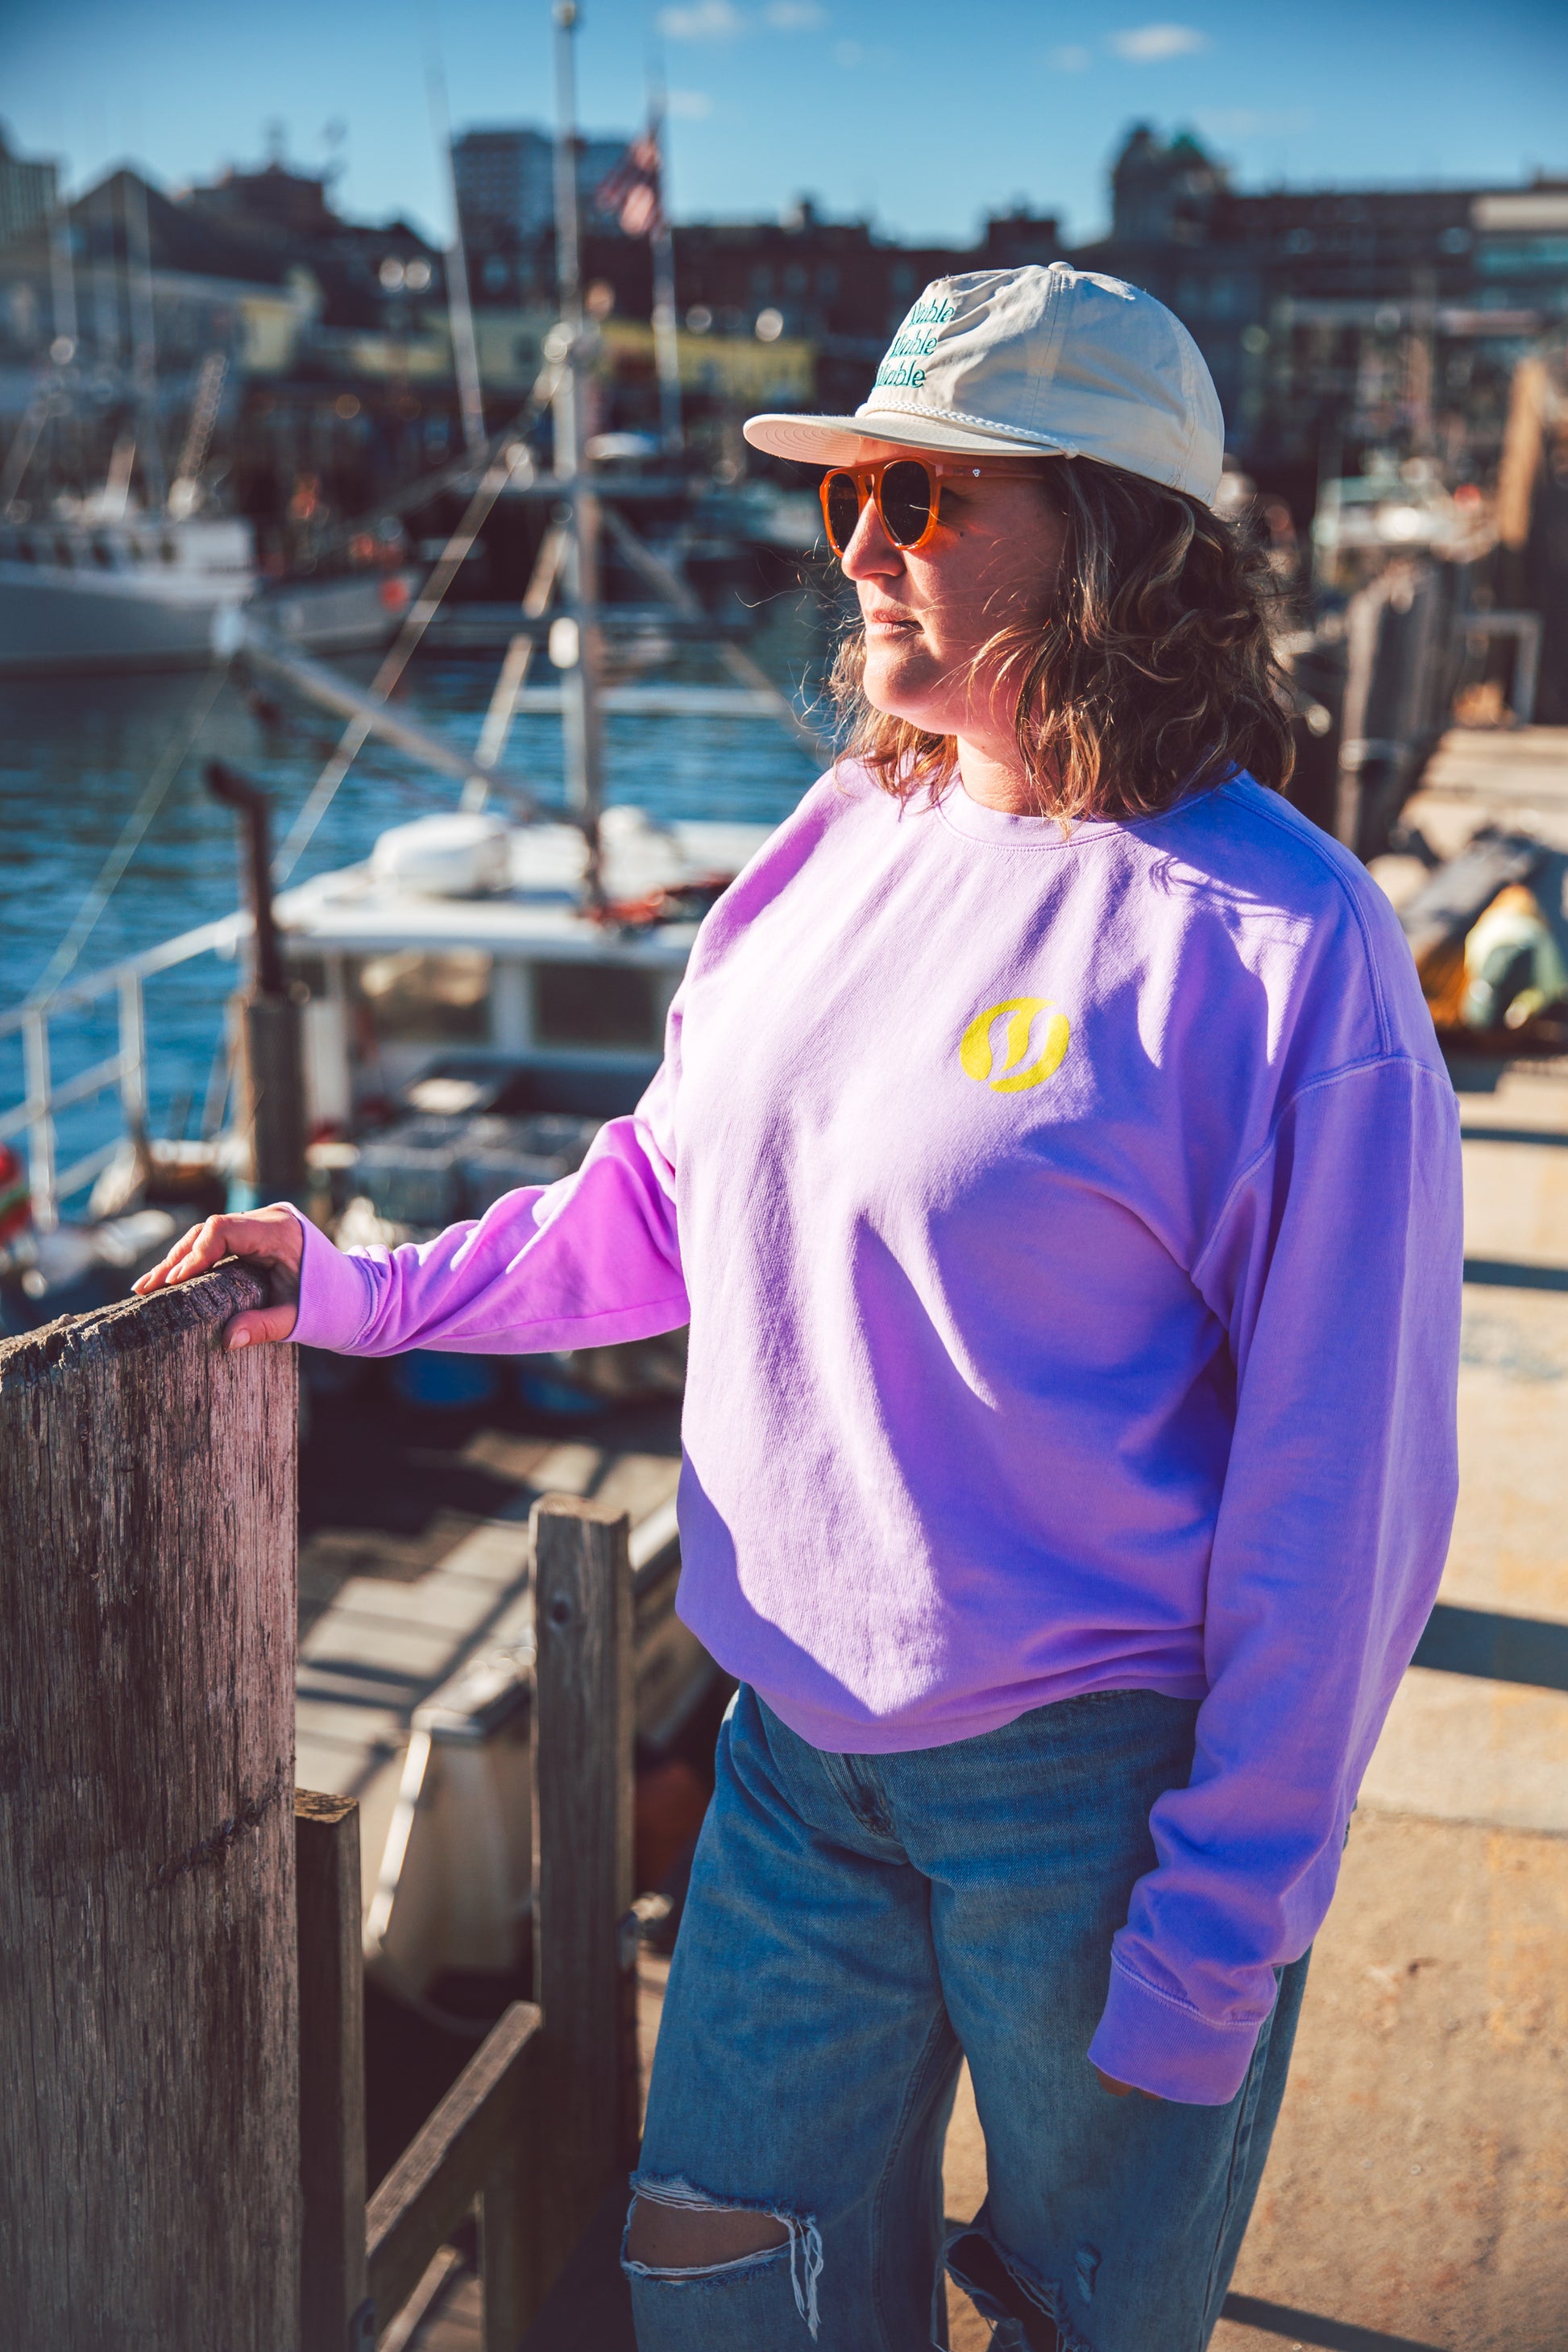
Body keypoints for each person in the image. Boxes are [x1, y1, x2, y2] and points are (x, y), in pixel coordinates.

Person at [138, 264, 1462, 2352]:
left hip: (1097, 1807)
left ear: (1112, 540)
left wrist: (1223, 1928)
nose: (858, 542)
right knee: (722, 2287)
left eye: (921, 494)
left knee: (1076, 2324)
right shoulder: (847, 827)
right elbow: (668, 1192)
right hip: (790, 1769)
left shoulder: (1286, 948)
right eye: (848, 492)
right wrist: (362, 1293)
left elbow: (1346, 1500)